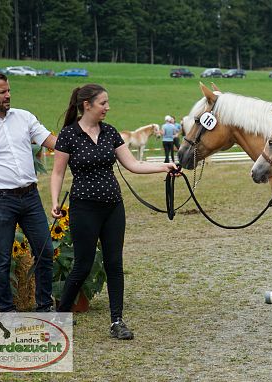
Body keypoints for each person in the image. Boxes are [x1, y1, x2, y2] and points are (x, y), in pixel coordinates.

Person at [50, 84, 178, 340]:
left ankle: (117, 321)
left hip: (113, 206)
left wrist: (165, 166)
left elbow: (133, 164)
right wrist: (55, 201)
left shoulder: (110, 132)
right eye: (103, 103)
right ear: (87, 105)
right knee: (83, 265)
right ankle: (60, 316)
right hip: (83, 207)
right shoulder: (68, 135)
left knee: (114, 263)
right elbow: (58, 172)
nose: (107, 107)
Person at [0, 72, 56, 313]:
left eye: (9, 90)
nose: (8, 95)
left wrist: (77, 144)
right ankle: (6, 310)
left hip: (30, 196)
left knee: (45, 251)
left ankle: (45, 306)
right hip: (1, 200)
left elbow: (50, 141)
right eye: (2, 92)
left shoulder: (24, 117)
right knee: (2, 258)